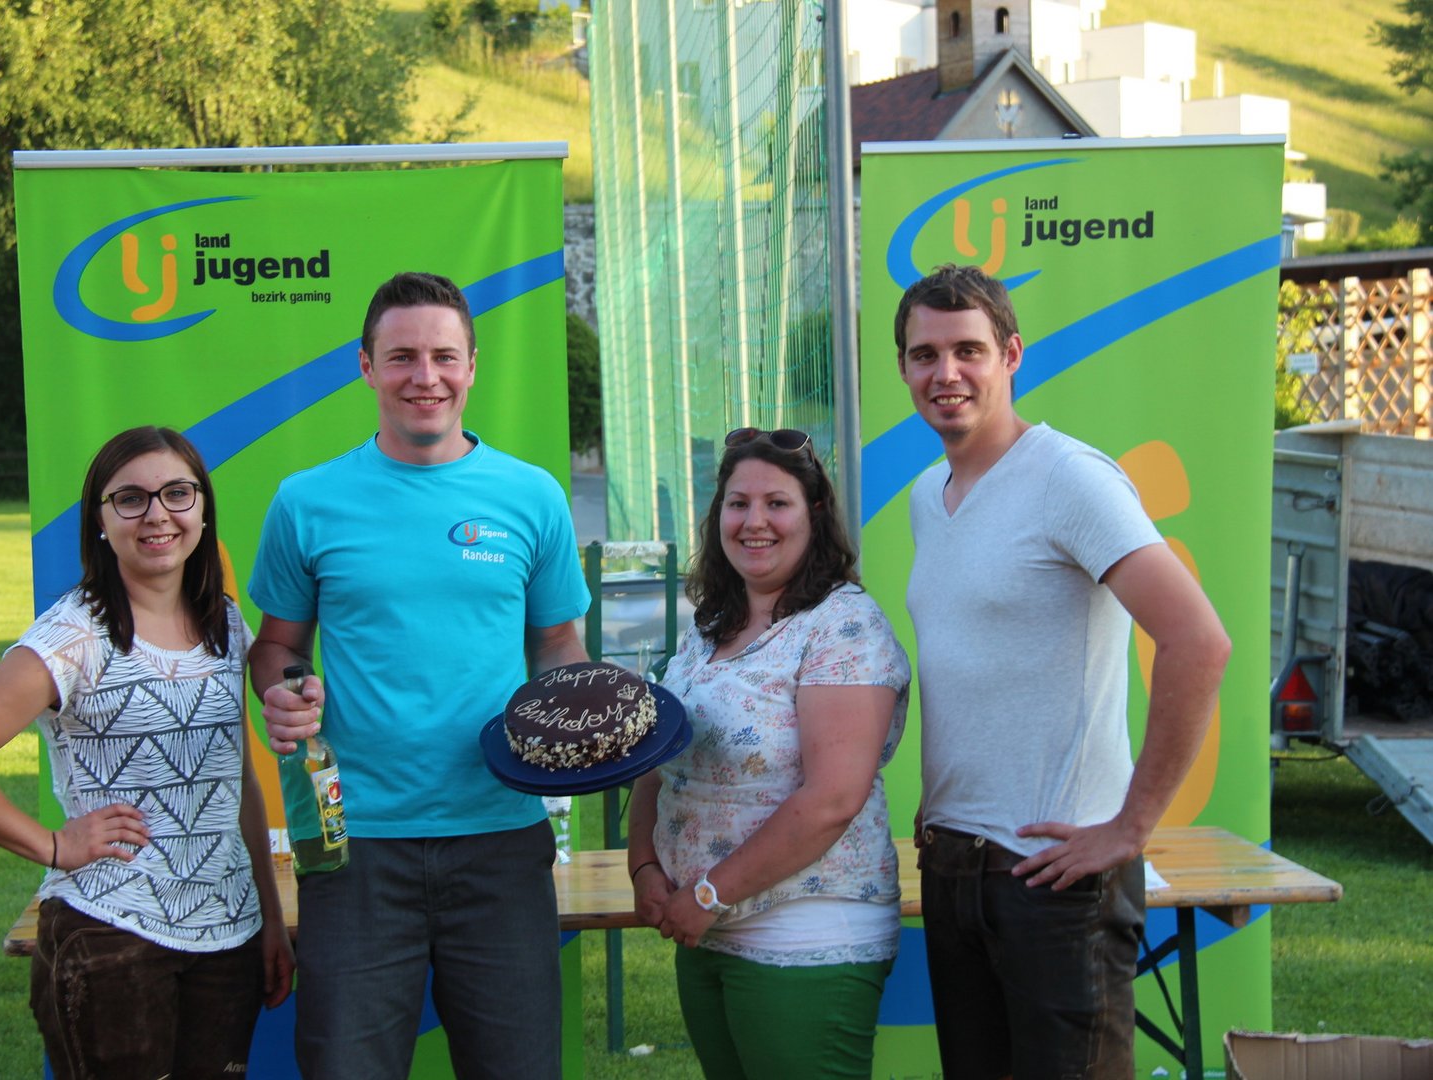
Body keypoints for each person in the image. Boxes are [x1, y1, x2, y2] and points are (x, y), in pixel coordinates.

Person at [248, 271, 590, 1080]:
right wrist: (287, 688)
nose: (424, 377)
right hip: (354, 845)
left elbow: (557, 645)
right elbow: (275, 646)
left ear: (472, 365)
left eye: (443, 356)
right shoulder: (307, 502)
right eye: (401, 357)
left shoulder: (532, 497)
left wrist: (581, 714)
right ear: (366, 367)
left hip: (501, 836)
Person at [893, 264, 1233, 1079]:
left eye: (968, 350)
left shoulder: (1070, 479)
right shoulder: (927, 496)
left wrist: (1130, 828)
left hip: (1057, 880)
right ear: (903, 367)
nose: (946, 374)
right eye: (925, 354)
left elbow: (1198, 641)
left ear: (1012, 355)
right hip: (953, 864)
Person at [0, 426, 293, 1079]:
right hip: (113, 936)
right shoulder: (74, 636)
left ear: (202, 509)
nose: (157, 515)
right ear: (100, 521)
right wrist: (54, 846)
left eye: (177, 493)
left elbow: (239, 780)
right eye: (130, 499)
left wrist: (271, 918)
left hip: (229, 937)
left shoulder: (225, 623)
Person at [627, 426, 909, 1080]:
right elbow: (659, 759)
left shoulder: (843, 625)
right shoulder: (708, 628)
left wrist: (708, 893)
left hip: (804, 933)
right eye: (738, 503)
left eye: (776, 503)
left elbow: (833, 799)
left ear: (814, 514)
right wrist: (644, 866)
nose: (754, 521)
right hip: (704, 929)